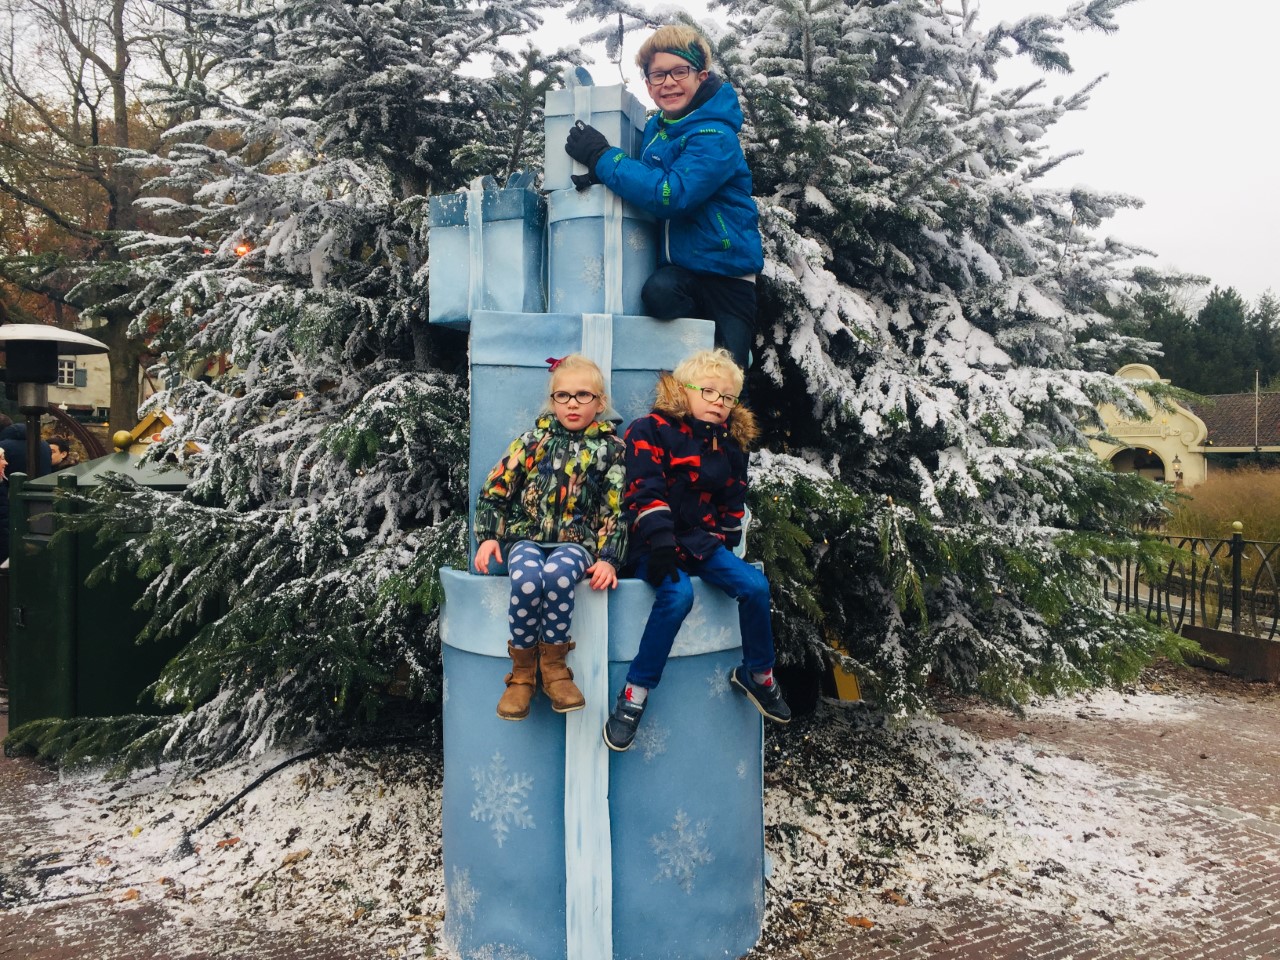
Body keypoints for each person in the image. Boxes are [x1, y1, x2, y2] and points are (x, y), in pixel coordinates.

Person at [603, 348, 789, 752]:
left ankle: (758, 674)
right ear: (684, 390)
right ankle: (635, 693)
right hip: (653, 540)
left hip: (701, 543)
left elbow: (731, 501)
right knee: (678, 595)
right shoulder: (649, 429)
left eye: (727, 398)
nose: (718, 404)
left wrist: (722, 549)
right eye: (709, 392)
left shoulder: (730, 445)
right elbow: (644, 489)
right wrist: (661, 543)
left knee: (754, 585)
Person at [564, 25, 764, 392]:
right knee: (657, 295)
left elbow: (671, 194)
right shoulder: (657, 131)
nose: (668, 82)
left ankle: (732, 347)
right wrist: (600, 175)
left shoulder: (715, 137)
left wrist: (603, 157)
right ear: (648, 82)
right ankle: (708, 344)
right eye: (658, 74)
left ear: (701, 76)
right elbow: (642, 180)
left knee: (725, 390)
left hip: (727, 278)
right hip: (681, 274)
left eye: (679, 72)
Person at [473, 354, 628, 720]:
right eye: (563, 396)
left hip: (577, 543)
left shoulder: (610, 451)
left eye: (583, 396)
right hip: (527, 537)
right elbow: (496, 489)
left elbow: (616, 509)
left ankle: (556, 668)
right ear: (553, 400)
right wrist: (489, 536)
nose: (572, 403)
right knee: (526, 578)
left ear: (600, 403)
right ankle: (523, 674)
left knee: (559, 575)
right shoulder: (531, 441)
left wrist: (608, 557)